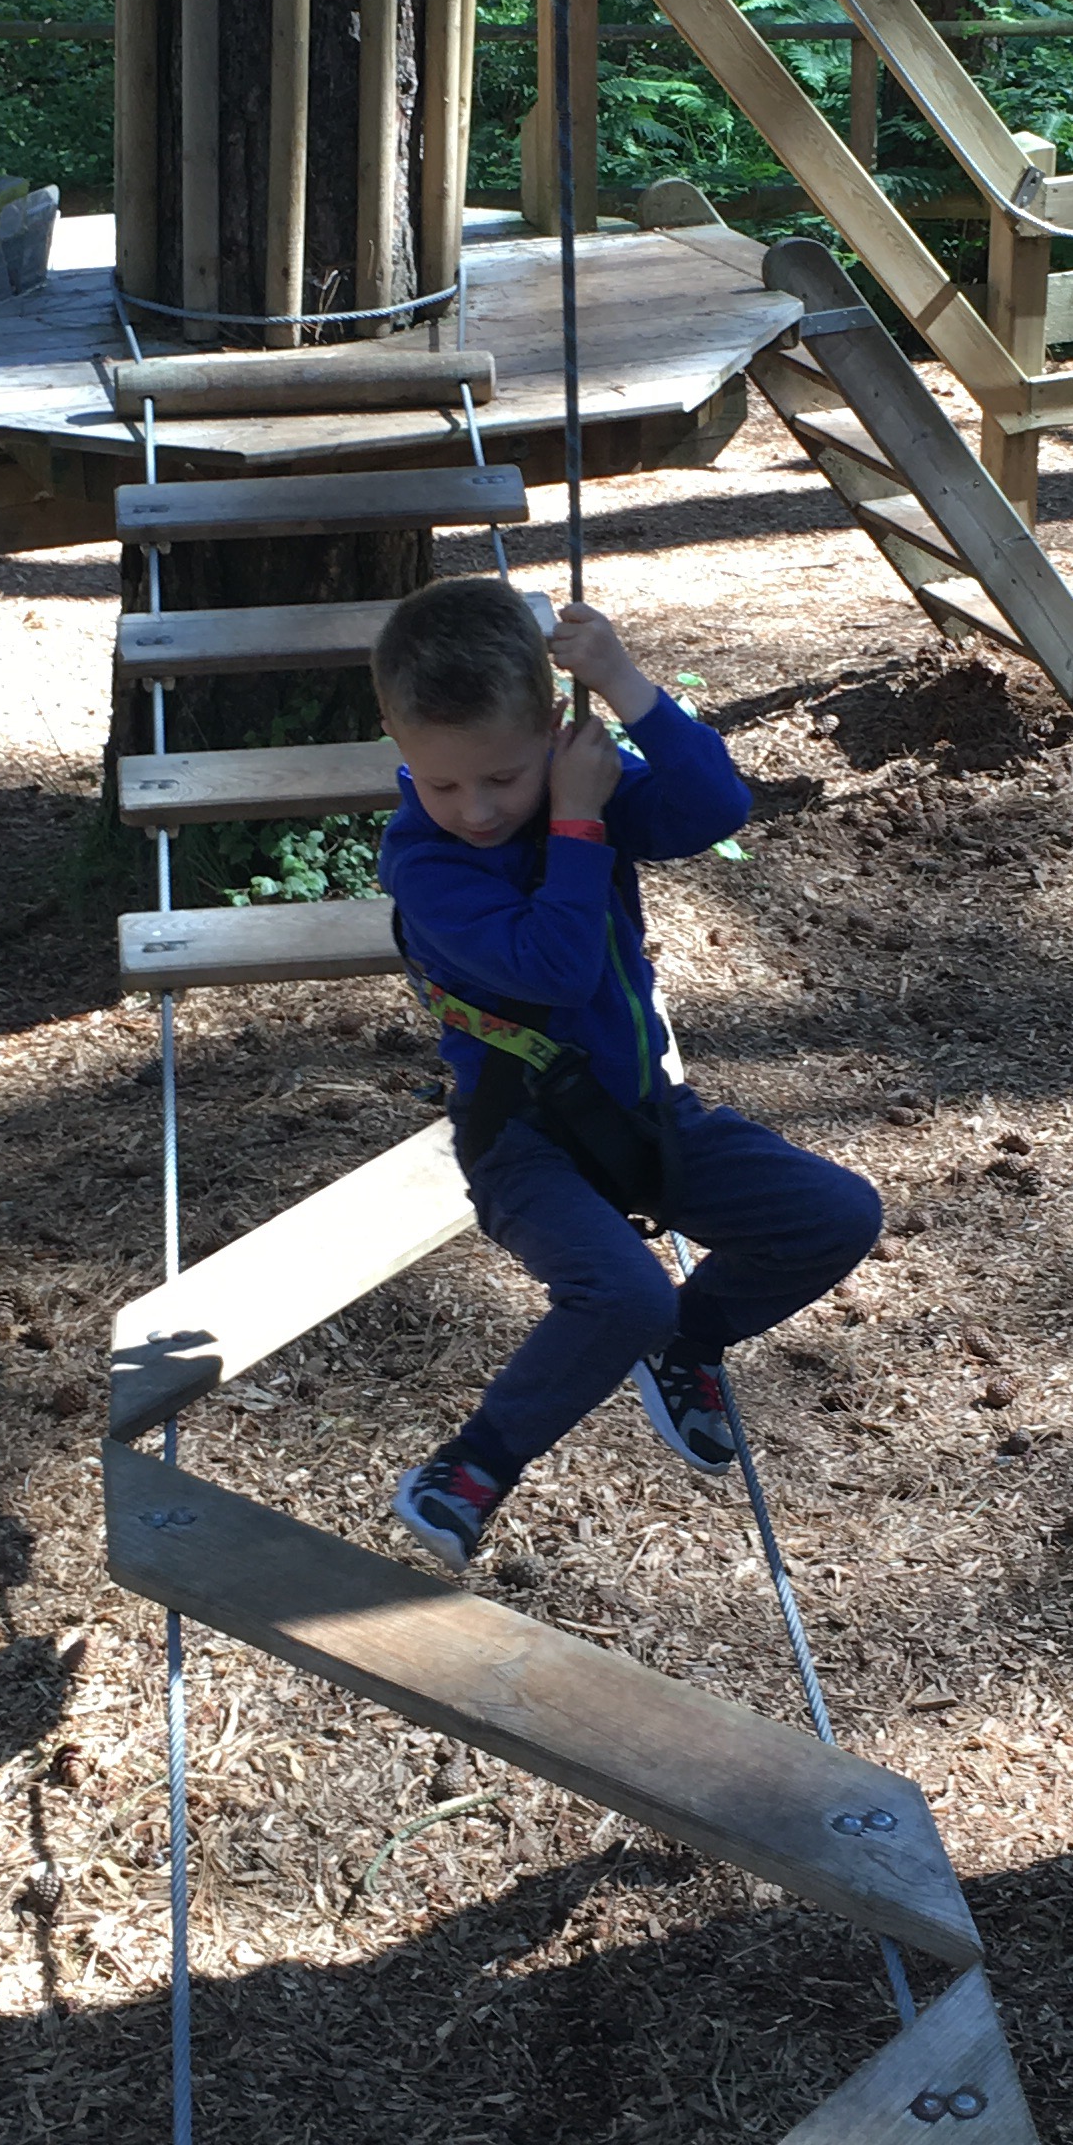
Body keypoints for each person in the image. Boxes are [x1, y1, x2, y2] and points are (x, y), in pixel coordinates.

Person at [372, 578, 882, 1568]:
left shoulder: (575, 790)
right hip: (523, 1144)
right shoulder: (428, 868)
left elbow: (715, 807)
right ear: (400, 746)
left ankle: (687, 1343)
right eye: (443, 785)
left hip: (645, 1114)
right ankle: (471, 1468)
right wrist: (572, 818)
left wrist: (626, 685)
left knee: (835, 1217)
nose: (476, 809)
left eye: (501, 777)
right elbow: (554, 969)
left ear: (553, 730)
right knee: (623, 1294)